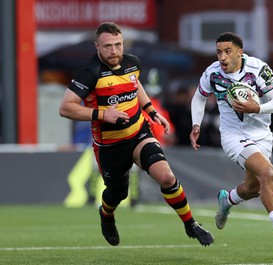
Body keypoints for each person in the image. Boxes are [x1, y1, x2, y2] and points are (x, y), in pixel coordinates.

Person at [59, 22, 214, 247]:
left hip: (139, 132)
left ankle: (191, 224)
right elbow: (65, 108)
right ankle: (106, 215)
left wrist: (152, 112)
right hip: (110, 145)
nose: (114, 51)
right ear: (97, 47)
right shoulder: (89, 73)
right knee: (117, 193)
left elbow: (135, 84)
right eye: (108, 46)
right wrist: (102, 114)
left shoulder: (133, 63)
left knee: (167, 177)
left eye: (118, 45)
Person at [190, 32, 273, 252]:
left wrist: (257, 108)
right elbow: (199, 97)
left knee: (254, 188)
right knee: (267, 173)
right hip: (233, 136)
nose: (222, 57)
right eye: (219, 52)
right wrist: (196, 124)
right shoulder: (212, 73)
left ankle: (227, 200)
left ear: (240, 52)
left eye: (228, 51)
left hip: (262, 135)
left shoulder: (259, 69)